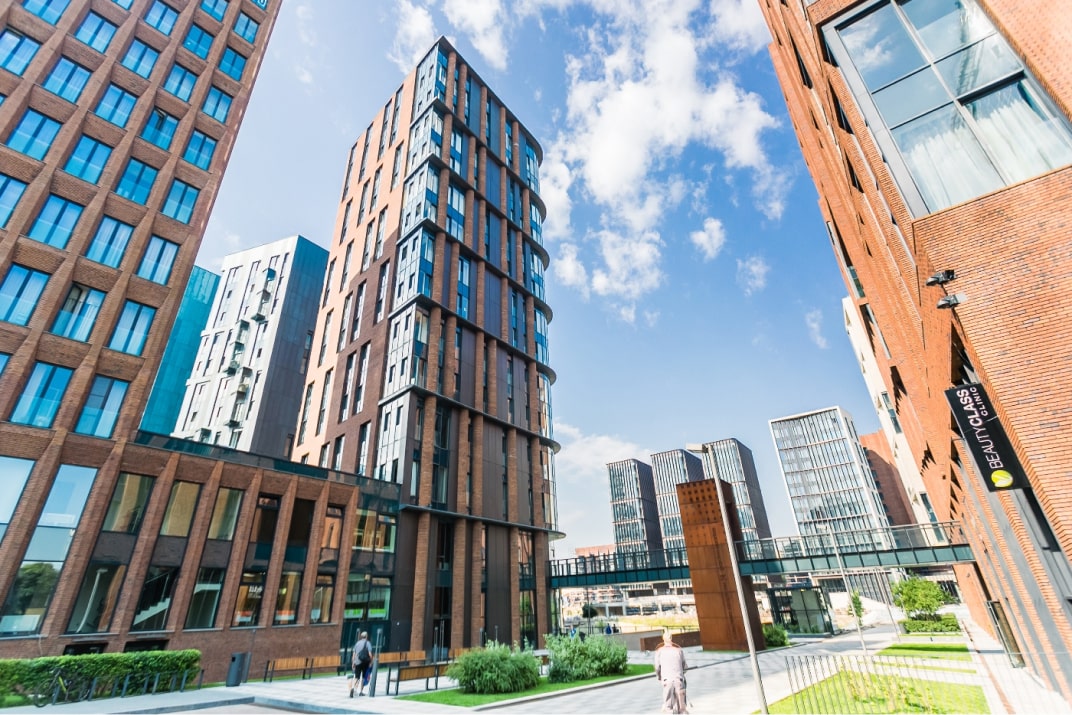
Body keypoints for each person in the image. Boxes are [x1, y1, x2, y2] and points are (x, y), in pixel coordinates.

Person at [654, 630, 688, 714]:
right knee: (682, 708)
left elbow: (657, 667)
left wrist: (659, 677)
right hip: (678, 680)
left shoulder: (659, 651)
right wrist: (681, 673)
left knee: (668, 707)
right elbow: (685, 666)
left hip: (667, 681)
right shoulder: (678, 650)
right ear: (671, 638)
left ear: (663, 639)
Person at [349, 631, 372, 697]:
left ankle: (353, 688)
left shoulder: (357, 643)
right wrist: (371, 662)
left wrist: (353, 663)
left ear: (361, 636)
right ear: (366, 636)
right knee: (364, 677)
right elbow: (370, 654)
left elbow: (354, 654)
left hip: (357, 662)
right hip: (365, 662)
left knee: (357, 677)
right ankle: (361, 692)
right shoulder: (368, 643)